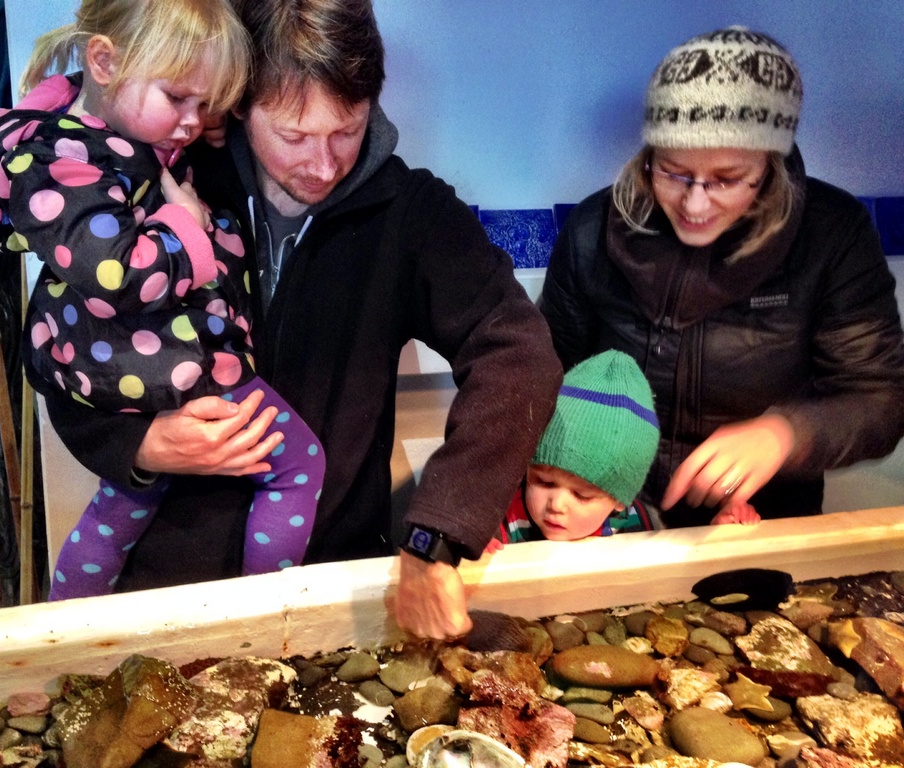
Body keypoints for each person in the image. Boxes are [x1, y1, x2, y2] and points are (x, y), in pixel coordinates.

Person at [39, 0, 562, 637]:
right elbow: (66, 342)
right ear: (239, 105)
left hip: (331, 581)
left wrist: (439, 535)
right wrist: (136, 446)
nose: (323, 164)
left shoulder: (412, 214)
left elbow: (518, 354)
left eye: (347, 130)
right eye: (293, 137)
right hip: (167, 581)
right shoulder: (156, 181)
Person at [0, 0, 325, 599]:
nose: (192, 122)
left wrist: (194, 112)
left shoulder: (77, 124)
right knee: (299, 464)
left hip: (120, 358)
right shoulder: (62, 162)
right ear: (104, 63)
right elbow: (117, 273)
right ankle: (266, 617)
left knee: (126, 499)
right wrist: (186, 226)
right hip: (157, 355)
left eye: (205, 104)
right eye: (178, 98)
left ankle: (68, 625)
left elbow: (105, 105)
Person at [539, 27, 904, 528]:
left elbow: (881, 397)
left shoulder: (832, 234)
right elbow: (541, 377)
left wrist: (786, 432)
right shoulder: (591, 229)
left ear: (770, 165)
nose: (694, 204)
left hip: (759, 522)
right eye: (672, 171)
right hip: (610, 520)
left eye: (727, 179)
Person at [490, 350, 757, 550]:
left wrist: (720, 537)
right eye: (543, 481)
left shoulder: (640, 524)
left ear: (620, 500)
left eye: (582, 495)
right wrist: (476, 549)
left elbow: (670, 571)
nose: (556, 504)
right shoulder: (501, 519)